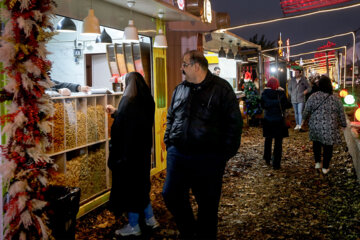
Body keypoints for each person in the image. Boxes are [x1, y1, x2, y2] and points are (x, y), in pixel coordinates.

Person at [162, 50, 243, 239]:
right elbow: (171, 116)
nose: (181, 68)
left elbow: (234, 124)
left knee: (207, 204)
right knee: (171, 194)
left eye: (184, 64)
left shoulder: (221, 89)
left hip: (208, 157)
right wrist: (169, 142)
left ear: (196, 66)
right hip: (179, 154)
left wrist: (222, 156)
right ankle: (190, 231)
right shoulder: (180, 89)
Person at [106, 72, 158, 237]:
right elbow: (132, 121)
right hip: (142, 152)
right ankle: (150, 219)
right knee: (141, 186)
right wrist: (116, 112)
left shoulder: (128, 101)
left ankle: (134, 226)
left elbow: (123, 125)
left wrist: (116, 115)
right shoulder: (147, 100)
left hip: (128, 154)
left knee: (131, 190)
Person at [302, 75, 347, 174]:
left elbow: (306, 110)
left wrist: (303, 121)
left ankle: (317, 162)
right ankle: (325, 167)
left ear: (319, 85)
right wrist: (343, 124)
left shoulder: (313, 96)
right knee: (328, 146)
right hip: (330, 126)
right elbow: (341, 112)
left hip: (315, 124)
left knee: (316, 143)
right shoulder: (335, 98)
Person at [261, 77, 291, 169]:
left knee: (268, 139)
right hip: (279, 119)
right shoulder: (281, 93)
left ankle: (267, 157)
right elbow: (287, 105)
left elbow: (262, 105)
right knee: (278, 142)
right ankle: (276, 163)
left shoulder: (264, 93)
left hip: (268, 119)